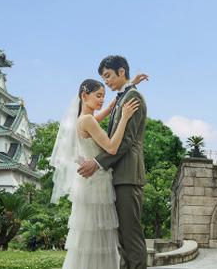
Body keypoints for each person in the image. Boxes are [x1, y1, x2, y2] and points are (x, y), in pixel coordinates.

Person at [49, 71, 147, 269]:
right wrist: (124, 118)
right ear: (85, 96)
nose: (102, 100)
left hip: (89, 184)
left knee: (92, 237)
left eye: (104, 95)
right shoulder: (89, 121)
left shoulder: (83, 118)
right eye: (98, 95)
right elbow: (111, 147)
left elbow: (107, 110)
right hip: (97, 184)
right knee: (99, 236)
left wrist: (129, 86)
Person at [77, 55, 148, 269]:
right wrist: (131, 83)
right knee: (122, 238)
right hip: (118, 176)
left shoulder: (132, 97)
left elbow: (126, 140)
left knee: (131, 235)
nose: (106, 81)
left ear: (121, 72)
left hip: (128, 176)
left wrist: (97, 163)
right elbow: (119, 98)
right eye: (103, 78)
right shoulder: (125, 95)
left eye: (108, 76)